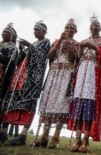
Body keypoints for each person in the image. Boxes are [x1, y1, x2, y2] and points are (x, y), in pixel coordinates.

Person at [2, 21, 51, 146]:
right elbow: (28, 58)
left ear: (44, 32)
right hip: (24, 77)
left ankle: (23, 134)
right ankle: (4, 130)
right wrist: (23, 52)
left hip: (34, 79)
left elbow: (41, 57)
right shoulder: (35, 43)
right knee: (14, 101)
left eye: (37, 30)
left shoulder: (46, 42)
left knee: (30, 103)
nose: (35, 32)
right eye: (34, 30)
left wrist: (29, 46)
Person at [35, 19, 78, 149]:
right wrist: (59, 41)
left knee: (61, 104)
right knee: (49, 102)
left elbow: (72, 58)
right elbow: (49, 56)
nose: (68, 29)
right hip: (54, 73)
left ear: (75, 31)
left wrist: (68, 43)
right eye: (67, 27)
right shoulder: (56, 41)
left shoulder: (76, 43)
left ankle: (55, 137)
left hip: (66, 74)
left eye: (71, 28)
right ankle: (44, 136)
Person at [67, 16, 101, 153]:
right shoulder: (83, 41)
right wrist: (82, 47)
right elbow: (78, 58)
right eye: (92, 25)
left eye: (97, 25)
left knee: (89, 107)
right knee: (78, 106)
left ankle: (85, 140)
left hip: (93, 73)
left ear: (100, 28)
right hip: (82, 71)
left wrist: (94, 49)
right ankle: (77, 139)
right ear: (90, 28)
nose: (94, 27)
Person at [0, 23, 18, 143]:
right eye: (3, 31)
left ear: (13, 36)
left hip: (4, 79)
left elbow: (12, 64)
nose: (5, 33)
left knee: (3, 103)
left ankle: (3, 132)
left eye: (8, 32)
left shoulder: (14, 48)